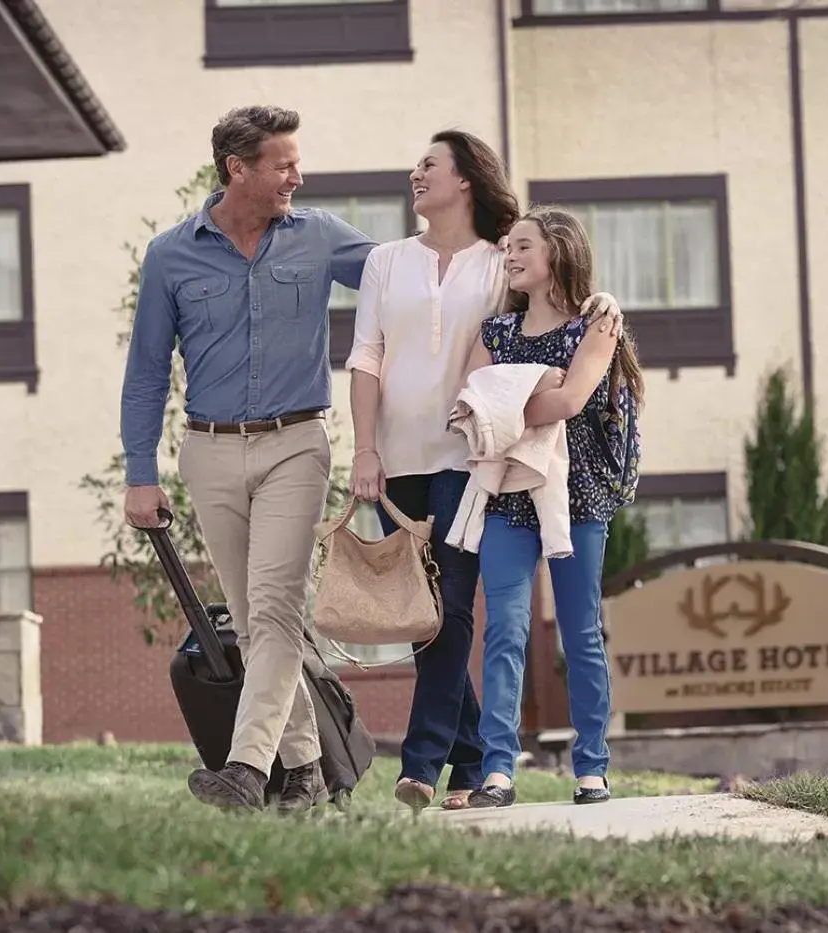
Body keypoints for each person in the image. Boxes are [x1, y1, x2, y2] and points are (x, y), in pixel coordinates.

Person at [345, 131, 623, 814]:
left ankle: (426, 763)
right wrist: (362, 448)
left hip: (484, 467)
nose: (415, 173)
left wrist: (602, 302)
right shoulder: (387, 261)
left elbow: (560, 288)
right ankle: (478, 763)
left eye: (429, 165)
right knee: (436, 616)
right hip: (408, 458)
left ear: (465, 179)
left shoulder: (501, 262)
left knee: (469, 617)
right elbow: (369, 358)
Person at [121, 105, 376, 812]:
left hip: (297, 441)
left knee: (271, 607)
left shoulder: (320, 236)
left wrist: (509, 267)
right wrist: (140, 471)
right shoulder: (173, 254)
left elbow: (404, 279)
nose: (299, 174)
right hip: (209, 451)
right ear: (238, 169)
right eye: (284, 163)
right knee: (257, 618)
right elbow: (146, 371)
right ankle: (308, 775)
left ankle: (243, 768)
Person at [461, 206, 644, 809]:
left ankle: (592, 769)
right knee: (504, 632)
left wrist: (509, 402)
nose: (510, 257)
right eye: (509, 248)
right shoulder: (495, 333)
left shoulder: (595, 326)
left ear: (557, 255)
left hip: (578, 494)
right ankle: (498, 771)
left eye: (522, 248)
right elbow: (472, 408)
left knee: (581, 631)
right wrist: (524, 398)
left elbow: (568, 402)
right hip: (507, 495)